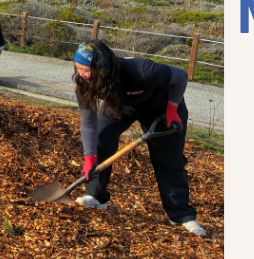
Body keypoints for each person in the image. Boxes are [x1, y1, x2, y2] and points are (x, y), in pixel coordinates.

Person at [71, 40, 206, 237]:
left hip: (161, 107)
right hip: (120, 104)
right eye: (77, 68)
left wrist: (172, 108)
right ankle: (96, 196)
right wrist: (89, 156)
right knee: (100, 139)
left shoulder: (143, 70)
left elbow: (181, 76)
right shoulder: (85, 83)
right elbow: (89, 122)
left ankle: (181, 215)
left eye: (85, 70)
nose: (81, 74)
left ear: (102, 68)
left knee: (169, 159)